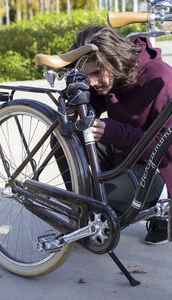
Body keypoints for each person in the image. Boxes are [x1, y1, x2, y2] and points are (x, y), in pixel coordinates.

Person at [70, 25, 172, 245]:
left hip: (156, 169)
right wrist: (74, 103)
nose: (92, 82)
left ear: (116, 61)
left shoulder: (161, 78)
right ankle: (81, 208)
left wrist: (115, 132)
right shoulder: (105, 78)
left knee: (98, 206)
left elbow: (167, 152)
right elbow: (88, 101)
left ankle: (160, 211)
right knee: (67, 138)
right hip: (125, 154)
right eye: (86, 75)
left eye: (97, 73)